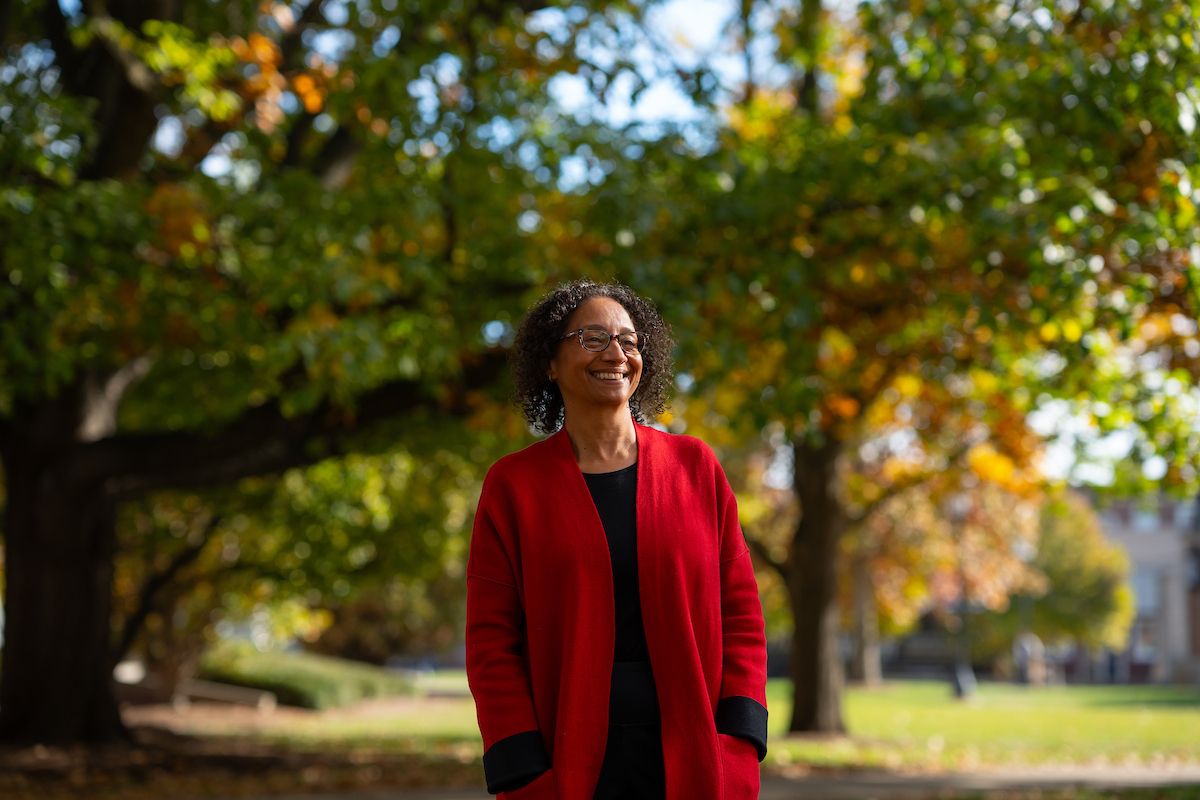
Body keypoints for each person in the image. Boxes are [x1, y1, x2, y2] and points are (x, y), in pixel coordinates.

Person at [465, 280, 768, 800]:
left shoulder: (696, 468)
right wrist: (523, 765)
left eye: (629, 341)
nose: (616, 354)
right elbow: (492, 643)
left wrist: (739, 736)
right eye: (592, 338)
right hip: (567, 759)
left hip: (693, 751)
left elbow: (741, 612)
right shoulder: (514, 487)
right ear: (549, 362)